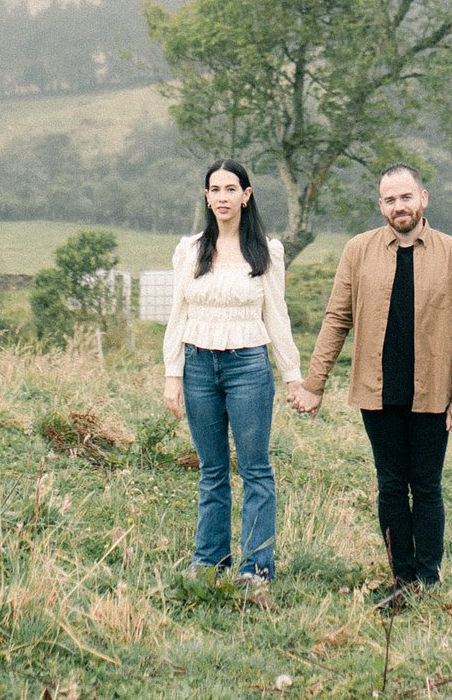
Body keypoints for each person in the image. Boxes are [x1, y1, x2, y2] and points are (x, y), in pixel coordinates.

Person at [293, 164, 452, 614]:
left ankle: (428, 580)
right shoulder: (358, 251)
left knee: (427, 485)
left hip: (432, 392)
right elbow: (337, 318)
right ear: (381, 206)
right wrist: (314, 383)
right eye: (390, 200)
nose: (399, 207)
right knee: (391, 486)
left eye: (406, 197)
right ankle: (402, 579)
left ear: (423, 198)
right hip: (377, 391)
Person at [162, 159, 301, 599]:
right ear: (207, 197)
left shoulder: (265, 251)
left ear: (247, 194)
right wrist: (173, 372)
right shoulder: (191, 249)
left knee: (256, 469)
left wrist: (292, 375)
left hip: (249, 367)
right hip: (200, 365)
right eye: (214, 189)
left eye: (230, 189)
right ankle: (208, 561)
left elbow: (277, 316)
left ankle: (256, 568)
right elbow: (177, 312)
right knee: (212, 470)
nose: (222, 197)